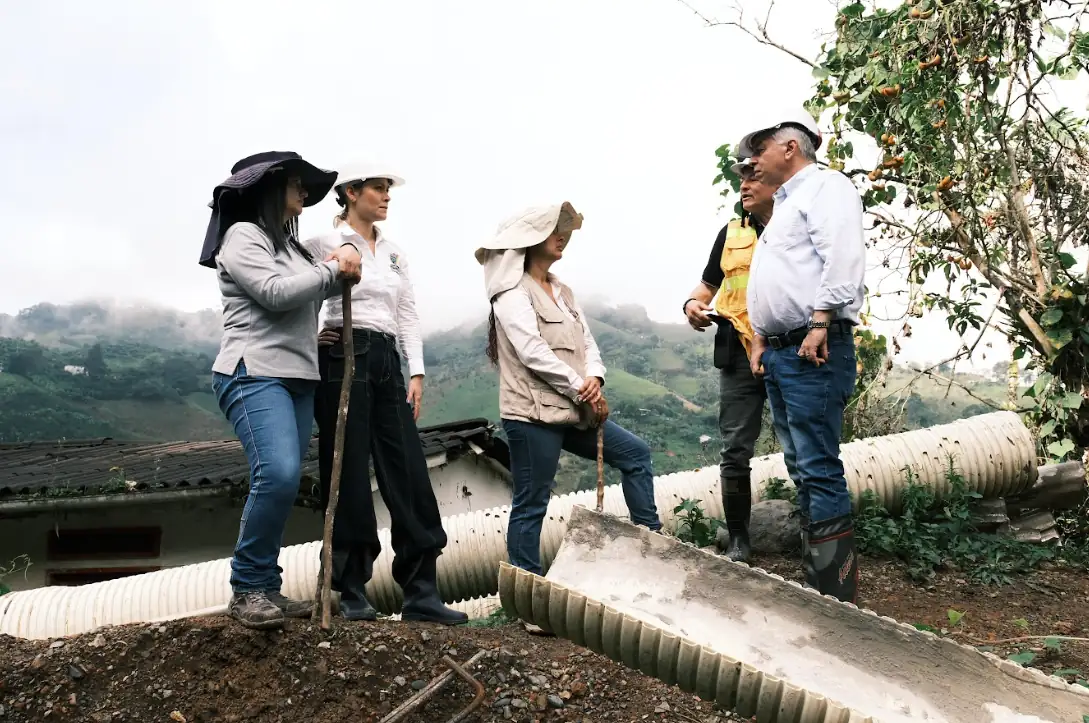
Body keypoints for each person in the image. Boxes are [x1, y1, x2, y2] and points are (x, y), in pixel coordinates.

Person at [199, 151, 363, 630]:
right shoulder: (242, 237)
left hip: (297, 376)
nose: (303, 191)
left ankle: (266, 586)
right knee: (277, 472)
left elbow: (318, 285)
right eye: (295, 183)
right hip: (252, 372)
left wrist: (349, 261)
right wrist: (335, 270)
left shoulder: (293, 249)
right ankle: (248, 586)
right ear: (268, 188)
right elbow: (273, 293)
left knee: (287, 481)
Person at [309, 161, 468, 626]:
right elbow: (300, 295)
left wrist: (415, 372)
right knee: (349, 469)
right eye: (378, 188)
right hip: (344, 354)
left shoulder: (394, 253)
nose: (386, 195)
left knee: (409, 469)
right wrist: (312, 336)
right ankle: (352, 588)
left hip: (387, 362)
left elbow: (408, 313)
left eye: (387, 188)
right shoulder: (322, 241)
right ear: (351, 192)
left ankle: (421, 590)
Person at [475, 202, 663, 581]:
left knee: (636, 455)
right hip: (532, 415)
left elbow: (587, 343)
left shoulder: (562, 290)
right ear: (527, 242)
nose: (561, 237)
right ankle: (529, 589)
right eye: (551, 231)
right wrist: (582, 387)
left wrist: (595, 378)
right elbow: (532, 351)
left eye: (564, 231)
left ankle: (653, 548)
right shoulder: (511, 292)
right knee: (532, 501)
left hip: (575, 409)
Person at [738, 108, 866, 604]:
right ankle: (822, 580)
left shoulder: (825, 188)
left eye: (759, 148)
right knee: (799, 461)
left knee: (817, 463)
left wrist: (819, 321)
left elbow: (843, 257)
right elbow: (780, 279)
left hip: (814, 346)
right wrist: (763, 339)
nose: (752, 160)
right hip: (784, 352)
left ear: (789, 147)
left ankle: (836, 593)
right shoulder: (784, 206)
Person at [681, 156, 778, 564]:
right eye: (741, 179)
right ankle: (739, 540)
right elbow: (705, 288)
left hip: (785, 348)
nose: (744, 185)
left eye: (753, 177)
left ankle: (817, 537)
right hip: (737, 351)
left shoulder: (793, 226)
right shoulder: (731, 233)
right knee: (735, 448)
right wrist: (691, 305)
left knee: (801, 446)